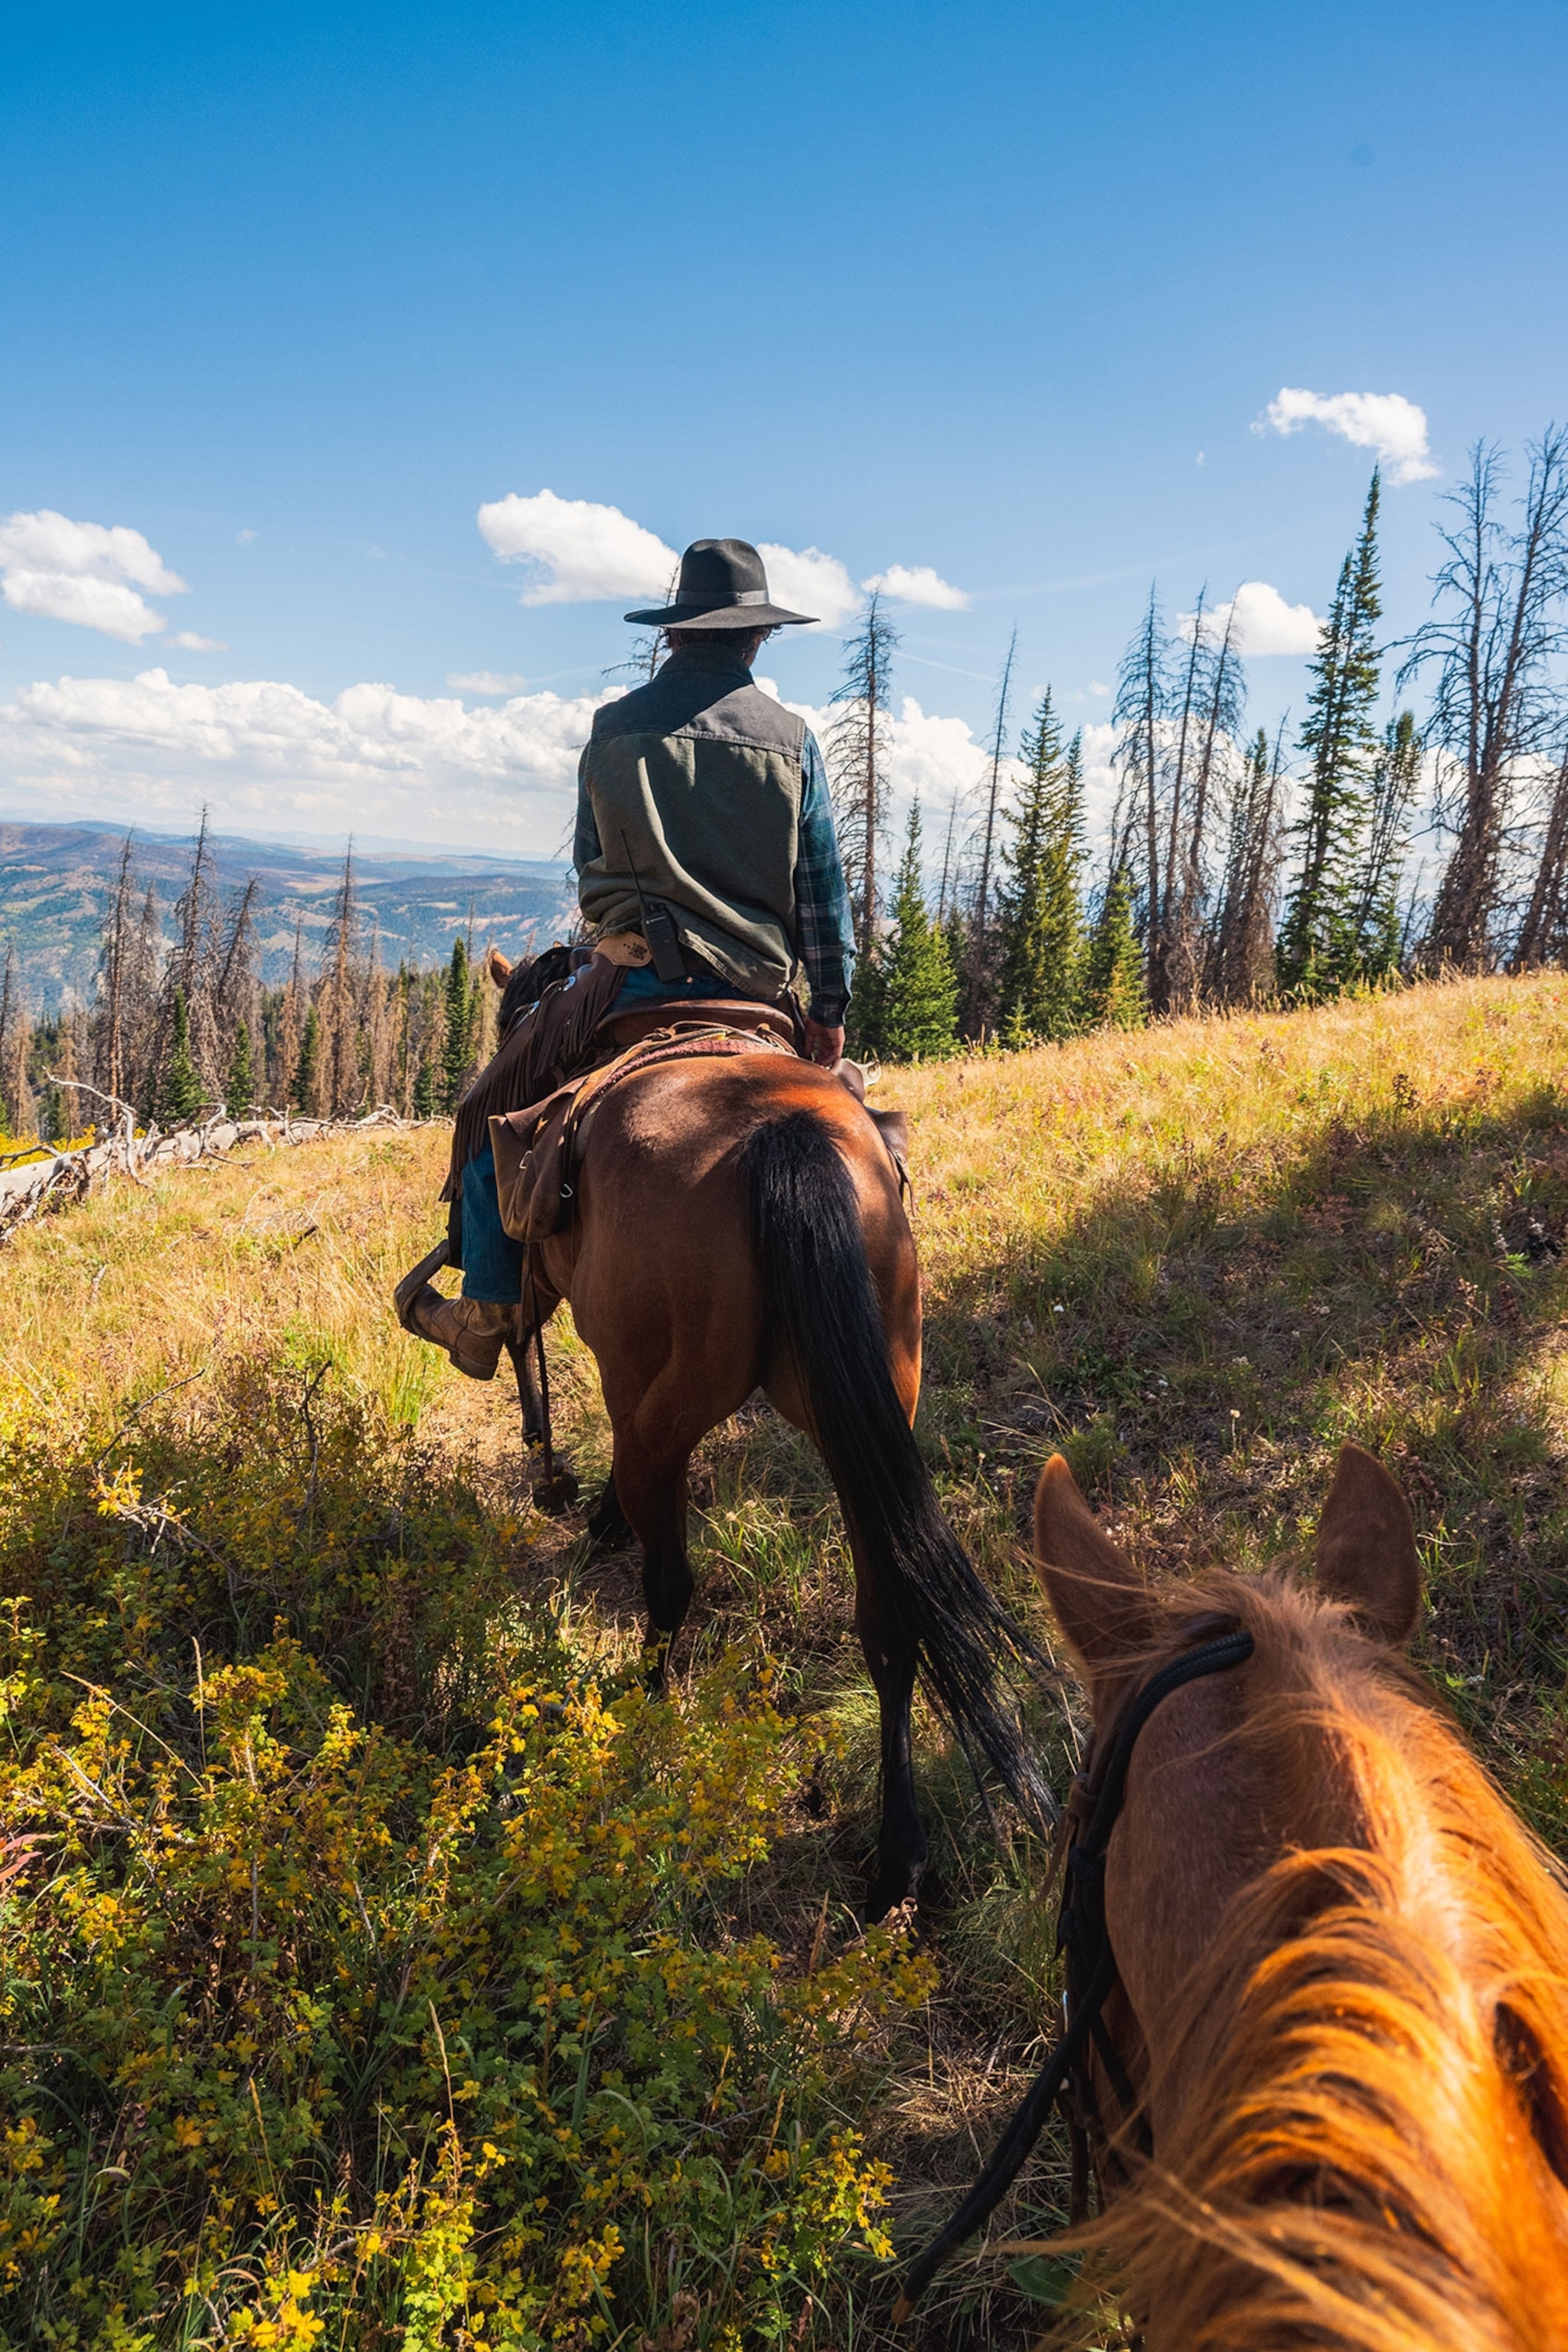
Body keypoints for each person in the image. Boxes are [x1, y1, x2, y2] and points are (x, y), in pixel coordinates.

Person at [396, 536, 858, 1378]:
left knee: (488, 1110)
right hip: (758, 990)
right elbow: (821, 896)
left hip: (633, 981)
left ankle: (487, 1309)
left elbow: (588, 861)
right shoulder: (790, 741)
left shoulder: (613, 732)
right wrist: (825, 1015)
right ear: (756, 638)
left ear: (676, 631)